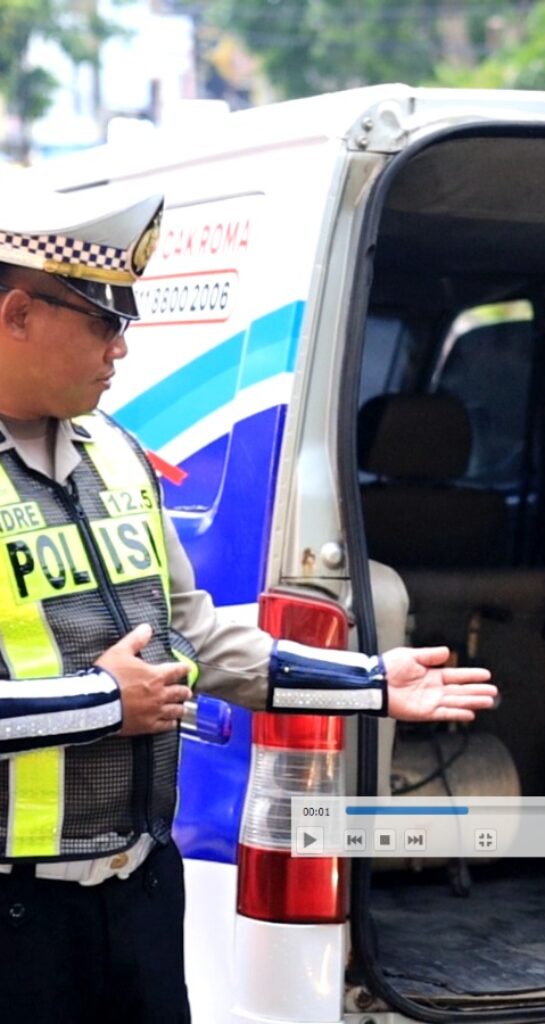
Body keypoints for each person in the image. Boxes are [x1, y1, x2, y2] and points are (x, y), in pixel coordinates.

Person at [0, 188, 497, 1023]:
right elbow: (118, 693)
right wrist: (96, 704)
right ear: (18, 314)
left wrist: (370, 681)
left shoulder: (116, 454)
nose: (123, 347)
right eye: (102, 319)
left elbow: (194, 632)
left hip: (141, 893)